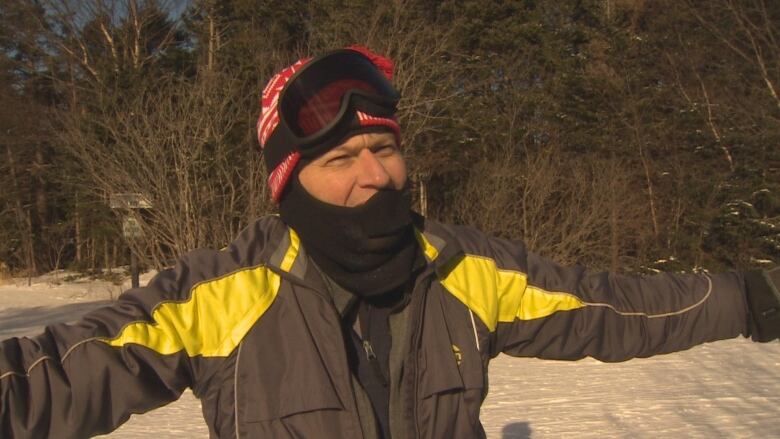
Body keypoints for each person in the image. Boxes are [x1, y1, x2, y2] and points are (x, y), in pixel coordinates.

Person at [1, 45, 779, 439]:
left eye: (387, 149)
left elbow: (609, 305)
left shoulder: (462, 269)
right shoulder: (220, 294)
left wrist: (748, 294)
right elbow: (67, 366)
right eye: (340, 159)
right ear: (288, 181)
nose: (374, 175)